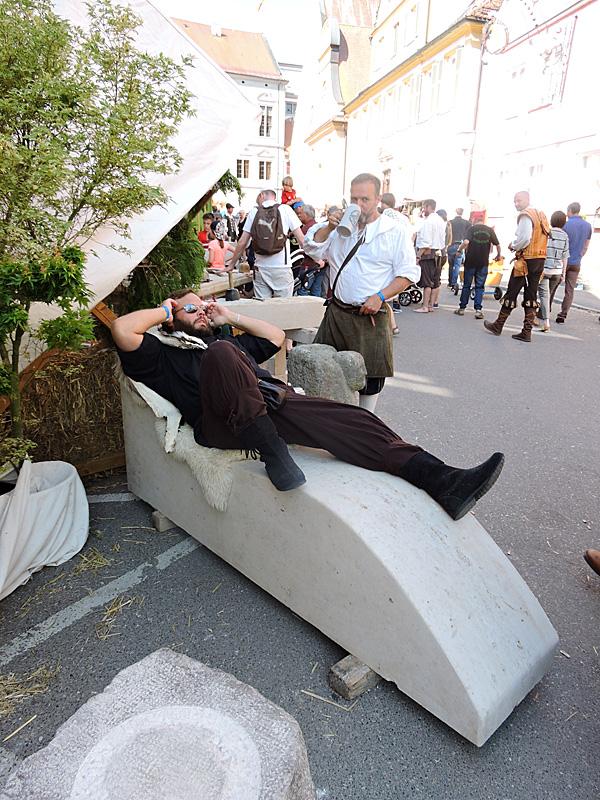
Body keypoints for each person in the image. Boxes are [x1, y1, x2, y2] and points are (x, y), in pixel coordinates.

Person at [111, 287, 505, 519]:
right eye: (191, 309)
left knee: (356, 421)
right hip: (219, 424)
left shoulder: (223, 338)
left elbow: (274, 337)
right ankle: (274, 454)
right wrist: (167, 310)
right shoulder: (162, 355)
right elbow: (121, 329)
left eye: (203, 307)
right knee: (221, 354)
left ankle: (443, 481)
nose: (201, 312)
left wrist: (229, 316)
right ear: (170, 318)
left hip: (267, 409)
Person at [303, 172, 419, 412]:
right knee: (327, 374)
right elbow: (312, 250)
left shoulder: (394, 231)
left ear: (378, 200)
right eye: (354, 199)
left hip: (370, 317)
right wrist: (329, 227)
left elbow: (408, 274)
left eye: (365, 199)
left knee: (369, 382)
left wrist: (380, 296)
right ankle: (334, 423)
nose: (358, 205)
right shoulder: (337, 228)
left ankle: (365, 424)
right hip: (337, 313)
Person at [484, 191, 549, 343]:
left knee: (512, 292)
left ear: (527, 200)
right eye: (515, 201)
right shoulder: (540, 214)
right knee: (531, 296)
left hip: (526, 260)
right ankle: (526, 332)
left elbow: (525, 238)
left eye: (519, 201)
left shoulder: (526, 215)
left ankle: (498, 325)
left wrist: (514, 246)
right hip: (539, 259)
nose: (516, 204)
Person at [229, 189, 304, 299]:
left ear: (262, 195)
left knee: (263, 306)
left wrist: (231, 265)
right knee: (283, 306)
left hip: (260, 268)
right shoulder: (285, 209)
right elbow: (301, 239)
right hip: (281, 267)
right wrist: (316, 258)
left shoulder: (254, 212)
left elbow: (242, 242)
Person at [554, 202, 592, 325]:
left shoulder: (566, 225)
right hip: (576, 262)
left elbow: (560, 244)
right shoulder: (588, 226)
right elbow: (586, 247)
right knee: (569, 290)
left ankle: (545, 313)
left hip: (562, 261)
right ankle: (562, 315)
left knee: (552, 287)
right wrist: (578, 256)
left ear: (570, 210)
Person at [454, 222, 501, 318]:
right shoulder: (489, 230)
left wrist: (459, 250)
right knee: (479, 287)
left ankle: (462, 308)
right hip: (483, 262)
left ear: (474, 221)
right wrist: (499, 255)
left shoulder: (471, 229)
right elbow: (498, 244)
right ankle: (478, 310)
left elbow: (466, 242)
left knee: (467, 285)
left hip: (471, 261)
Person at [537, 211, 569, 332]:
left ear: (551, 220)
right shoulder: (565, 236)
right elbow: (565, 256)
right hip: (557, 271)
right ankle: (537, 319)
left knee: (544, 295)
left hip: (545, 269)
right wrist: (563, 273)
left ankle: (546, 321)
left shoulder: (546, 232)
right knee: (547, 295)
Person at [413, 199, 447, 314]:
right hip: (439, 252)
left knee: (427, 281)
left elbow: (426, 242)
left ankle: (425, 306)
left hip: (428, 253)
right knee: (435, 280)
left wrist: (418, 256)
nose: (423, 210)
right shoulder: (440, 220)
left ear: (428, 207)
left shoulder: (429, 221)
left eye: (424, 207)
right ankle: (431, 305)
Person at [296, 204, 326, 297]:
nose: (299, 215)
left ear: (307, 215)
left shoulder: (306, 229)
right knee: (316, 292)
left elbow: (305, 247)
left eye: (300, 213)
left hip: (308, 266)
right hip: (320, 265)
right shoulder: (320, 227)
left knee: (303, 292)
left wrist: (316, 259)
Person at [448, 208, 471, 290]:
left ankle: (450, 282)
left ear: (455, 212)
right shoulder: (466, 223)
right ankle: (454, 283)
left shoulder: (450, 222)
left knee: (451, 265)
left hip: (451, 245)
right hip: (460, 245)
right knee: (457, 265)